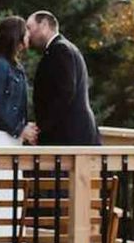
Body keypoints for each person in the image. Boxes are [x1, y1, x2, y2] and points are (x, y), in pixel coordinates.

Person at [26, 10, 101, 146]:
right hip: (70, 133)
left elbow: (65, 93)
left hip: (68, 135)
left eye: (29, 28)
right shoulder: (64, 48)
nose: (28, 34)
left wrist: (43, 128)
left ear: (43, 25)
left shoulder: (60, 50)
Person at [0, 15, 39, 147]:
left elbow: (13, 106)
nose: (29, 35)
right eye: (26, 32)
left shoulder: (15, 67)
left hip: (10, 135)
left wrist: (23, 126)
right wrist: (20, 129)